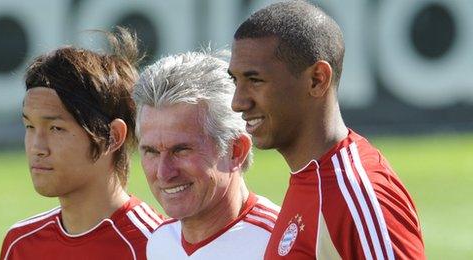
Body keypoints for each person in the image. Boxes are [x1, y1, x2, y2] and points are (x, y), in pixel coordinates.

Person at [228, 1, 425, 259]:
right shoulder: (313, 177)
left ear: (317, 79)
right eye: (235, 80)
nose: (237, 102)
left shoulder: (354, 193)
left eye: (255, 80)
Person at [0, 28, 163, 260]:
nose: (37, 147)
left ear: (113, 136)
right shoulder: (20, 244)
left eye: (56, 129)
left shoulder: (155, 247)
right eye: (30, 127)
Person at [132, 51, 280, 259]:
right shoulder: (160, 243)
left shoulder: (281, 245)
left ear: (236, 151)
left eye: (181, 150)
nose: (164, 173)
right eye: (151, 152)